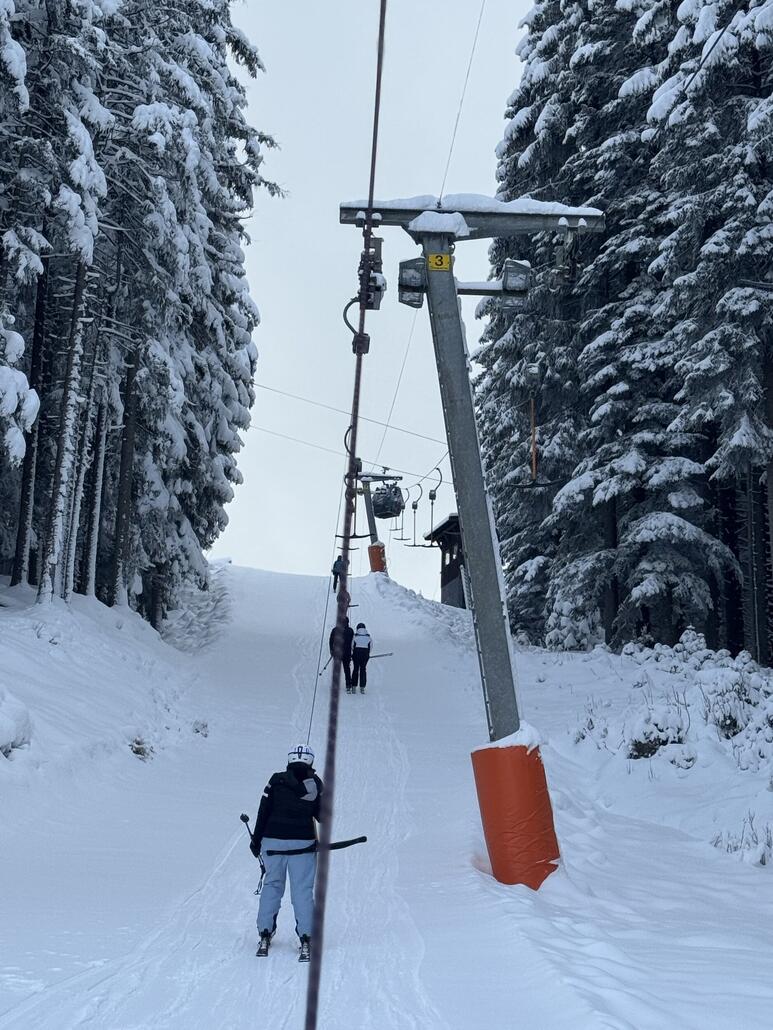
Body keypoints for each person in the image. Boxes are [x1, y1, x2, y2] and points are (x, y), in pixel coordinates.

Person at [251, 744, 323, 961]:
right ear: (311, 761)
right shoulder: (315, 785)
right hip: (303, 845)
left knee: (272, 886)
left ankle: (264, 933)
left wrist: (256, 840)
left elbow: (263, 810)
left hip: (272, 843)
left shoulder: (275, 781)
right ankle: (306, 938)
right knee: (302, 890)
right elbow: (322, 816)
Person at [329, 616, 354, 693]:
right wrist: (352, 653)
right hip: (347, 653)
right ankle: (348, 685)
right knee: (347, 669)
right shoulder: (350, 630)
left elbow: (331, 641)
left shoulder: (335, 630)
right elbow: (353, 642)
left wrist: (331, 650)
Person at [351, 622, 372, 693]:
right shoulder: (368, 637)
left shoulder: (355, 636)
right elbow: (371, 647)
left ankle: (354, 686)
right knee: (363, 669)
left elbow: (352, 646)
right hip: (365, 655)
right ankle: (362, 687)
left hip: (356, 654)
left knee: (355, 669)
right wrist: (367, 654)